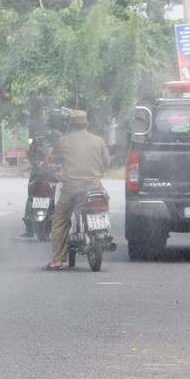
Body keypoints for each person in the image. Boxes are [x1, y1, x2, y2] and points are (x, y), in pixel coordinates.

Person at [44, 109, 111, 270]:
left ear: (70, 125)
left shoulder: (63, 142)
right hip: (94, 186)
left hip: (71, 187)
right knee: (104, 203)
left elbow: (50, 160)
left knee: (60, 219)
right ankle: (104, 231)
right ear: (87, 124)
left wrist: (48, 161)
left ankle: (58, 260)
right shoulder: (98, 141)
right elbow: (107, 164)